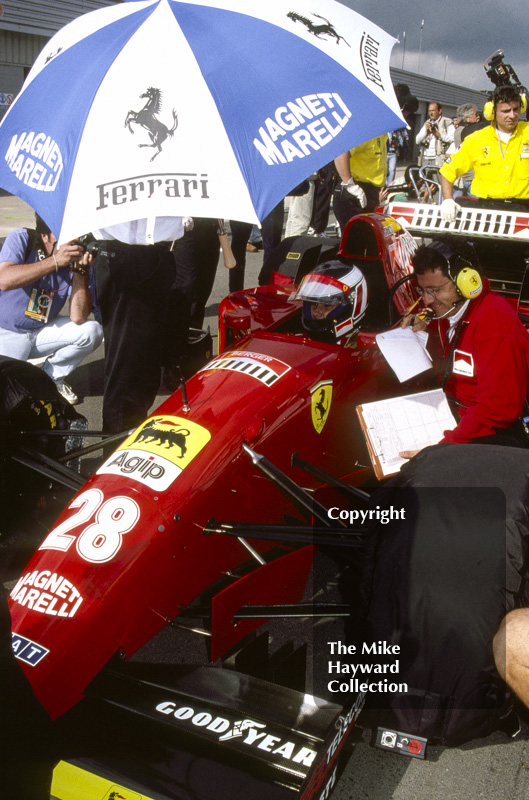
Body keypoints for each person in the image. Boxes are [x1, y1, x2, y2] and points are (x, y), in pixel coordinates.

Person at [400, 240, 529, 456]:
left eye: (435, 290)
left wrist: (441, 449)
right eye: (422, 290)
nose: (427, 300)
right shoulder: (448, 311)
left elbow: (497, 409)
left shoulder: (496, 326)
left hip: (486, 434)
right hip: (451, 416)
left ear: (467, 282)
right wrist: (424, 326)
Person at [93, 216, 184, 434]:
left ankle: (131, 437)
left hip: (159, 254)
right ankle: (115, 449)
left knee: (146, 369)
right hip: (125, 254)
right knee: (126, 369)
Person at [0, 215, 102, 405]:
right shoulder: (22, 239)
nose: (73, 246)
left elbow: (78, 317)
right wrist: (54, 261)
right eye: (65, 240)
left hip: (40, 331)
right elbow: (4, 280)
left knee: (92, 331)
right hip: (6, 332)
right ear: (45, 237)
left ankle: (51, 380)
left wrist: (81, 272)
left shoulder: (73, 260)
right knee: (12, 399)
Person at [440, 86, 529, 221]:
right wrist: (447, 200)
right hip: (487, 210)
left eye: (516, 109)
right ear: (493, 112)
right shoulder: (476, 139)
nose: (512, 115)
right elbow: (448, 170)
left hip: (523, 209)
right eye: (506, 111)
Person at [290, 260, 368, 344]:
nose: (316, 313)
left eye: (327, 305)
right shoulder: (296, 339)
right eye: (314, 304)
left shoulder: (364, 350)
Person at [333, 135, 388, 232]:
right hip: (355, 192)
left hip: (371, 192)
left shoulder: (382, 133)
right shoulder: (365, 133)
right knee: (356, 242)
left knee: (370, 239)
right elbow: (340, 153)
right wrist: (349, 184)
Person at [415, 102, 454, 167]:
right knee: (425, 177)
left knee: (438, 177)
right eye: (429, 111)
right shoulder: (427, 123)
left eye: (433, 110)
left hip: (439, 159)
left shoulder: (447, 122)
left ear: (439, 111)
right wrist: (425, 132)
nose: (431, 113)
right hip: (425, 158)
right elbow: (417, 140)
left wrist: (439, 136)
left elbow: (453, 139)